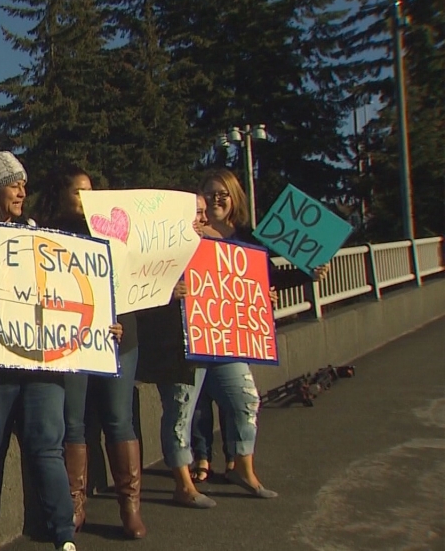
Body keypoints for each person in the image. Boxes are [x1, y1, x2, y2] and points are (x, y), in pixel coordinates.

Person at [0, 140, 94, 551]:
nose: (22, 191)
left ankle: (63, 536)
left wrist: (100, 326)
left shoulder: (42, 236)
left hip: (42, 364)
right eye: (12, 183)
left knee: (46, 447)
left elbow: (70, 293)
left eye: (24, 183)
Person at [195, 168, 329, 498]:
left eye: (223, 194)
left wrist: (306, 276)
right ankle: (200, 457)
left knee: (237, 397)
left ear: (234, 197)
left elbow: (266, 277)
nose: (216, 200)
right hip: (199, 325)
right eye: (210, 193)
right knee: (197, 401)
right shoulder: (190, 232)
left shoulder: (249, 236)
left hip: (236, 330)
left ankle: (234, 461)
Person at [32, 166, 142, 539]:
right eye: (78, 192)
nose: (85, 198)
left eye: (90, 191)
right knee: (73, 421)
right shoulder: (50, 233)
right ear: (62, 195)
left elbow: (135, 284)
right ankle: (76, 503)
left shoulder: (114, 233)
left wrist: (121, 318)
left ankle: (130, 507)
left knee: (118, 418)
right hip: (73, 340)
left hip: (117, 337)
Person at [138, 194, 218, 509]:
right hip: (172, 345)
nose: (200, 219)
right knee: (180, 409)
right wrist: (167, 292)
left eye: (202, 213)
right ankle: (183, 483)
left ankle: (213, 466)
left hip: (206, 342)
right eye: (193, 213)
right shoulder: (162, 250)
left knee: (193, 407)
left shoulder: (213, 248)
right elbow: (136, 291)